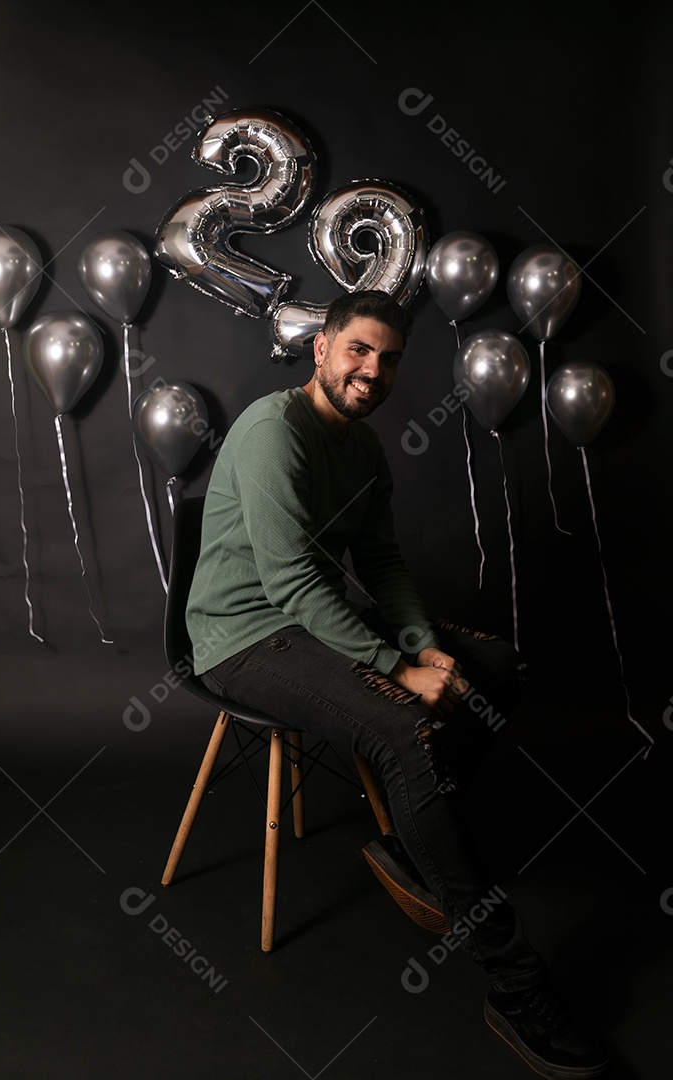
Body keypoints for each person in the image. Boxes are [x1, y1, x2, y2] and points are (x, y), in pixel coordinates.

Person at [186, 290, 608, 1079]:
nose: (372, 371)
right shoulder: (274, 432)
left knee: (493, 666)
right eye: (358, 351)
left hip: (310, 621)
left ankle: (414, 850)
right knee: (406, 731)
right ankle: (515, 984)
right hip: (244, 637)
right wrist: (398, 668)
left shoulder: (363, 449)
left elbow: (378, 564)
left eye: (388, 358)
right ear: (322, 349)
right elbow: (287, 585)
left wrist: (421, 642)